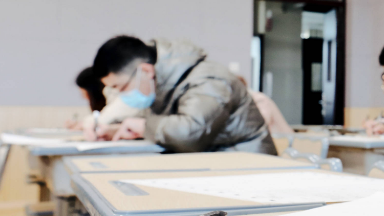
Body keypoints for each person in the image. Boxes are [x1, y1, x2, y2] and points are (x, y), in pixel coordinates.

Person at [91, 36, 276, 154]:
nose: (121, 95)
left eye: (121, 87)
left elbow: (190, 133)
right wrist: (118, 130)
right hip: (221, 164)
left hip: (250, 169)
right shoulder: (164, 86)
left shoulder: (209, 79)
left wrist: (143, 126)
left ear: (145, 71)